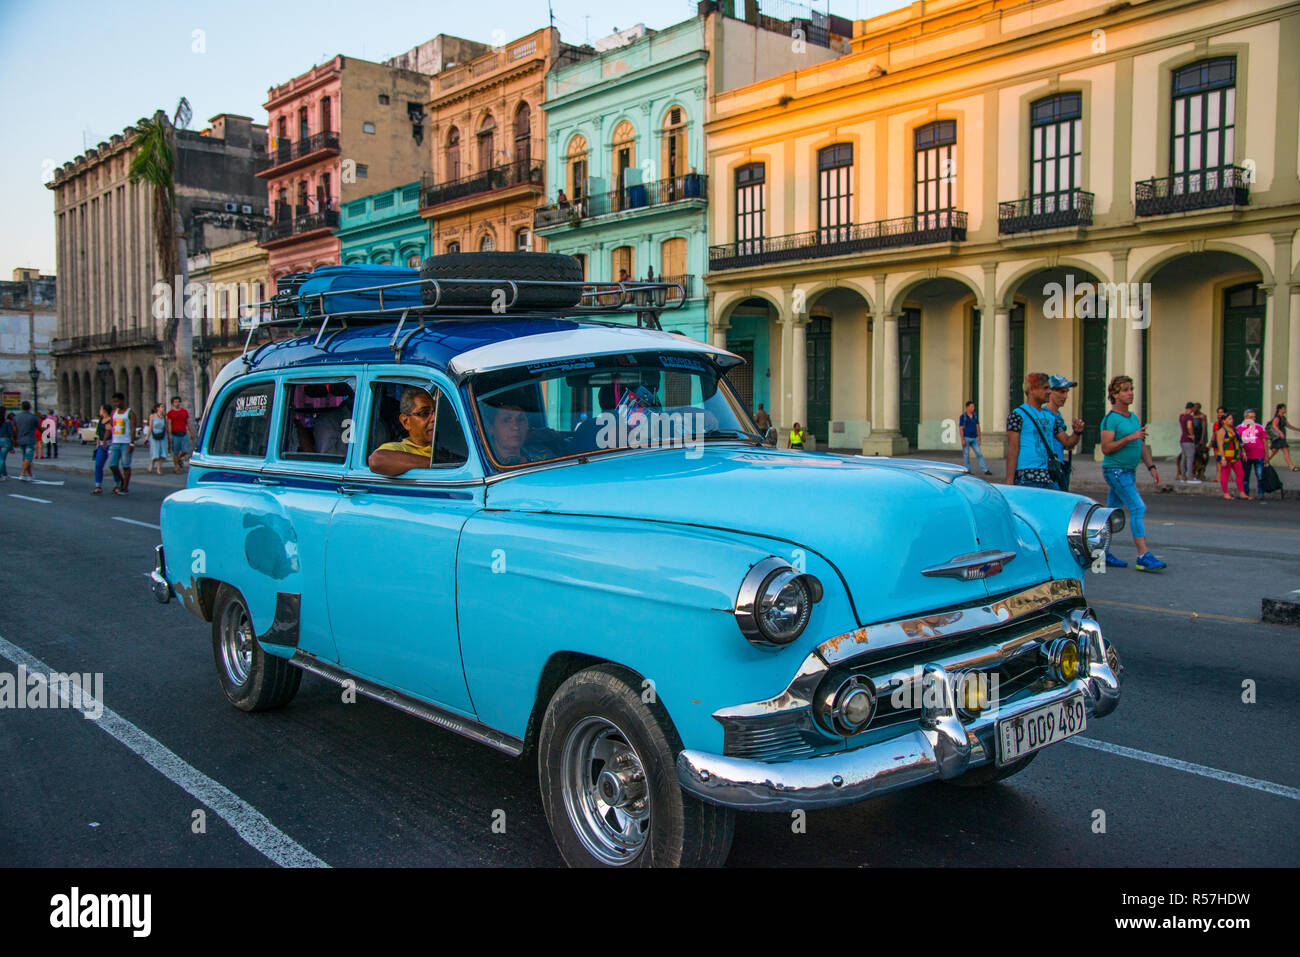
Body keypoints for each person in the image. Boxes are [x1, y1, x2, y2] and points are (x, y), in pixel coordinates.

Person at [1099, 375, 1166, 571]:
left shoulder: (1133, 417)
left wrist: (1152, 467)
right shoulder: (1111, 420)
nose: (1130, 393)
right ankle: (1143, 555)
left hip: (1128, 471)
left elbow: (1141, 444)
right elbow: (1106, 448)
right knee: (1138, 508)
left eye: (1131, 389)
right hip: (1115, 471)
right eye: (1125, 390)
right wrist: (1129, 438)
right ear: (1115, 395)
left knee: (1110, 514)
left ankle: (1101, 553)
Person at [1004, 372, 1072, 489]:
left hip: (1049, 476)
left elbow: (1067, 441)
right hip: (1027, 476)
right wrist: (1010, 480)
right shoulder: (1018, 415)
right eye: (1045, 388)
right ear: (1031, 389)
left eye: (1049, 388)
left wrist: (1077, 432)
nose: (1049, 392)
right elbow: (1013, 448)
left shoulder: (1050, 417)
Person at [368, 386, 436, 476]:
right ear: (406, 422)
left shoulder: (447, 447)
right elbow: (376, 460)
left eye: (436, 412)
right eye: (424, 413)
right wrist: (435, 464)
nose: (434, 418)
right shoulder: (401, 449)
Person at [1045, 376, 1085, 491]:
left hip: (1059, 466)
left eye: (1066, 392)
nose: (1065, 396)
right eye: (1062, 392)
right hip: (1050, 468)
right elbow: (1067, 443)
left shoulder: (1058, 414)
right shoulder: (1046, 415)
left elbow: (1069, 444)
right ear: (1050, 391)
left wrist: (1077, 432)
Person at [106, 391, 137, 494]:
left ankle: (125, 487)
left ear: (122, 401)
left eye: (117, 401)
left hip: (126, 442)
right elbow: (110, 427)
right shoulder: (113, 413)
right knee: (112, 464)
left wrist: (132, 443)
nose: (116, 404)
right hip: (115, 442)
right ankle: (122, 481)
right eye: (114, 402)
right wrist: (105, 440)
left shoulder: (130, 413)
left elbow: (133, 429)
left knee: (126, 465)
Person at [1215, 412, 1247, 500]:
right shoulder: (1221, 431)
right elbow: (1220, 445)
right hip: (1226, 455)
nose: (1231, 421)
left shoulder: (1234, 430)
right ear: (1224, 421)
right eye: (1229, 419)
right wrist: (1223, 457)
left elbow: (1239, 441)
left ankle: (1242, 492)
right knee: (1225, 474)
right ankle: (1226, 493)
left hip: (1235, 455)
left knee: (1240, 473)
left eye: (1232, 419)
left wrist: (1243, 451)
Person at [1236, 409, 1268, 498]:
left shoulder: (1259, 427)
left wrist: (1267, 454)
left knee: (1260, 475)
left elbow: (1265, 441)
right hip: (1246, 456)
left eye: (1254, 417)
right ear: (1245, 417)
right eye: (1251, 417)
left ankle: (1261, 493)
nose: (1253, 419)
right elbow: (1237, 442)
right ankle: (1245, 493)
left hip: (1259, 454)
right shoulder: (1239, 428)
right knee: (1245, 475)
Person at [959, 400, 992, 475]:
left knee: (979, 453)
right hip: (966, 437)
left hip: (974, 438)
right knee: (966, 455)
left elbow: (977, 426)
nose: (973, 408)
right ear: (967, 407)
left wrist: (979, 437)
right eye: (971, 406)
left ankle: (985, 470)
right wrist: (962, 439)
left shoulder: (975, 416)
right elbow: (961, 428)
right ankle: (968, 470)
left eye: (973, 406)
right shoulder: (963, 417)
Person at [12, 400, 40, 481]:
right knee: (28, 457)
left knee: (25, 458)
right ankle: (22, 474)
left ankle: (30, 475)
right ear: (30, 407)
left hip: (20, 439)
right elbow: (39, 428)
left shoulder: (16, 417)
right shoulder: (33, 417)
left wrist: (16, 439)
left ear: (21, 407)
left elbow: (14, 429)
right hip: (30, 439)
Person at [1266, 403, 1298, 471]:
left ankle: (1265, 461)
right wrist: (1280, 433)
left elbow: (1288, 425)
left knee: (1276, 451)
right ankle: (1291, 467)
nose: (1285, 410)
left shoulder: (1283, 417)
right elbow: (1274, 426)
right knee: (1280, 451)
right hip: (1278, 437)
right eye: (1284, 408)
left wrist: (1297, 429)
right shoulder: (1277, 417)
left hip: (1281, 437)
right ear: (1279, 409)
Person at [91, 403, 112, 494]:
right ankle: (98, 486)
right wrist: (97, 446)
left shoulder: (112, 420)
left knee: (113, 465)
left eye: (101, 409)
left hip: (110, 444)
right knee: (98, 465)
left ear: (105, 411)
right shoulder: (101, 420)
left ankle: (117, 485)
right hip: (101, 445)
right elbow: (98, 434)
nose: (99, 411)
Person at [166, 396, 191, 473]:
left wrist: (191, 432)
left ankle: (179, 458)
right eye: (175, 402)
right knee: (175, 452)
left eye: (178, 402)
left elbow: (188, 422)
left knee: (185, 450)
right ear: (172, 403)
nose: (177, 403)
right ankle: (176, 467)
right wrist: (170, 435)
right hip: (175, 434)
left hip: (184, 433)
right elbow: (169, 424)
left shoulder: (184, 412)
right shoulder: (170, 413)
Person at [145, 403, 169, 474]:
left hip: (162, 436)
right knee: (155, 452)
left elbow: (166, 427)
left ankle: (158, 468)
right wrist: (147, 437)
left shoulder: (165, 417)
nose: (163, 408)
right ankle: (151, 465)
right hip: (154, 435)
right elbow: (150, 427)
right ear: (157, 408)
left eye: (164, 407)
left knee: (162, 452)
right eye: (161, 407)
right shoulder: (152, 416)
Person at [1177, 401, 1197, 483]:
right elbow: (1189, 426)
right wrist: (1192, 435)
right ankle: (1190, 476)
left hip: (1182, 439)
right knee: (1190, 458)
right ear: (1191, 408)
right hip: (1188, 440)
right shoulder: (1189, 417)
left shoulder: (1182, 416)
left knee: (1184, 458)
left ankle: (1183, 476)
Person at [1191, 402, 1209, 482]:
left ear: (1199, 408)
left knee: (1203, 456)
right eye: (1193, 407)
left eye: (1196, 408)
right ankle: (1194, 471)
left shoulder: (1202, 416)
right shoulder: (1191, 416)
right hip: (1193, 439)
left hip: (1200, 438)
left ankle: (1201, 472)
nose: (1194, 409)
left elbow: (1204, 428)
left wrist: (1202, 439)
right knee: (1194, 456)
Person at [0, 412, 15, 481]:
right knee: (2, 459)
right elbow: (10, 434)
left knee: (1, 459)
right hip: (5, 440)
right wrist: (12, 446)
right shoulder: (7, 423)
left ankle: (4, 473)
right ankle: (2, 474)